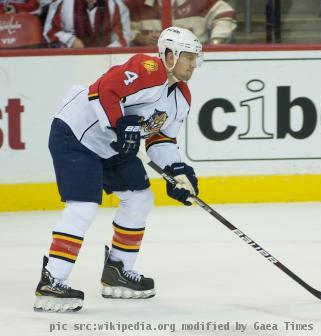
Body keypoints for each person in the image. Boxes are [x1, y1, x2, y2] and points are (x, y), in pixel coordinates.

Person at [33, 26, 202, 312]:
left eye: (196, 58)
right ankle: (52, 280)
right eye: (189, 57)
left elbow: (160, 138)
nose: (194, 64)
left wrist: (177, 171)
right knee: (83, 207)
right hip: (77, 134)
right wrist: (120, 124)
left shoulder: (181, 97)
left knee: (140, 198)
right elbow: (103, 90)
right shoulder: (148, 68)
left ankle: (118, 272)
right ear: (170, 55)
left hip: (112, 146)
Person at [125, 0, 236, 46]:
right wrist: (139, 37)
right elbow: (122, 27)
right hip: (150, 65)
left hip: (193, 63)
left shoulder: (199, 2)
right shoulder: (136, 5)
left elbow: (224, 14)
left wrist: (216, 41)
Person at [43, 0, 131, 48]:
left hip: (106, 60)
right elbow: (50, 31)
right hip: (71, 59)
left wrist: (106, 51)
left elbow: (124, 38)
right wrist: (70, 40)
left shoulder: (116, 5)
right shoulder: (63, 3)